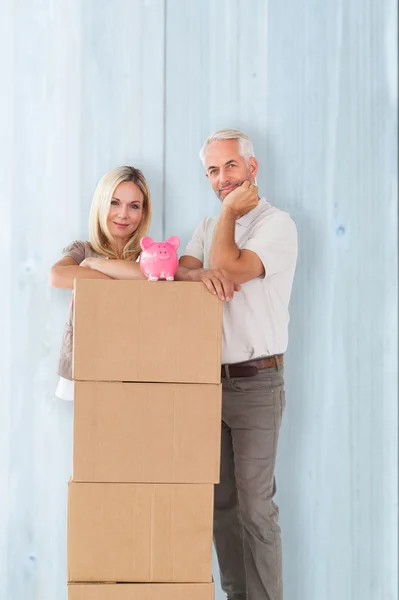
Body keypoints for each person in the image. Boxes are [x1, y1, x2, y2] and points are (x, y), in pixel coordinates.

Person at [179, 129, 298, 600]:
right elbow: (177, 276)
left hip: (257, 383)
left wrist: (227, 215)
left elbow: (227, 267)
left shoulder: (277, 225)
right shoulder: (206, 229)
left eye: (230, 166)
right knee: (221, 506)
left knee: (255, 508)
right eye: (212, 170)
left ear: (252, 168)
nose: (221, 178)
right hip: (208, 386)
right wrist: (197, 272)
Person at [49, 165, 152, 401]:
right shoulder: (82, 250)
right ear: (101, 204)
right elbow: (57, 276)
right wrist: (119, 279)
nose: (123, 214)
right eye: (115, 203)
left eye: (133, 206)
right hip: (89, 359)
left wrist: (95, 266)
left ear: (143, 213)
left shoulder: (150, 255)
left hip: (136, 361)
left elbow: (148, 275)